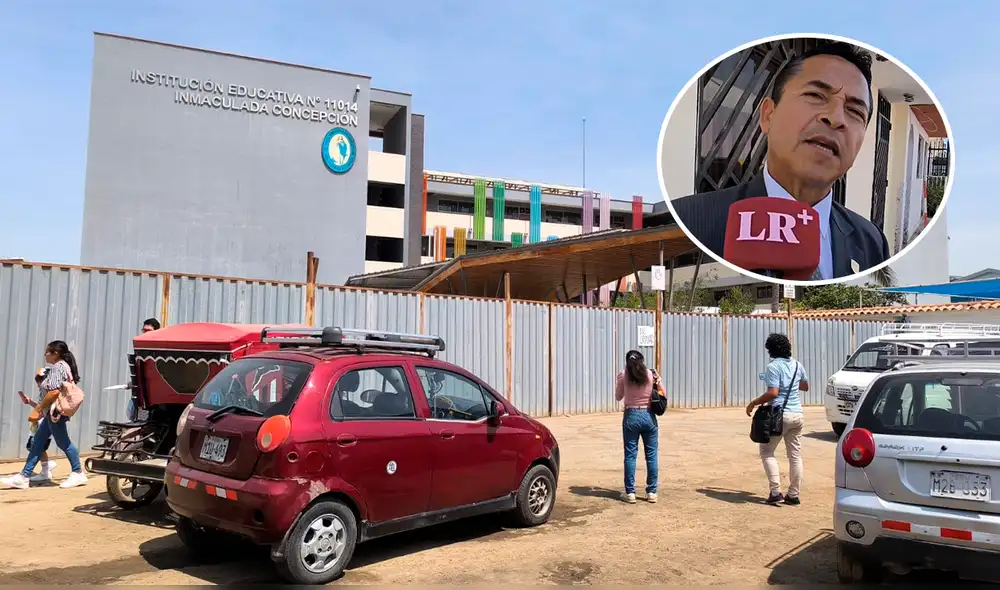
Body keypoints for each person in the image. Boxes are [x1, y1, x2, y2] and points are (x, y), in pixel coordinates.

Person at [669, 41, 889, 280]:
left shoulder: (871, 242)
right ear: (768, 115)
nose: (835, 118)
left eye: (855, 111)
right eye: (815, 95)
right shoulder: (686, 221)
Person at [1, 341, 88, 490]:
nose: (45, 355)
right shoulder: (62, 367)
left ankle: (78, 472)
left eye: (47, 352)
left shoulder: (58, 367)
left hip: (55, 413)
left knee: (64, 443)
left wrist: (38, 409)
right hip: (50, 413)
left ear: (56, 353)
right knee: (37, 443)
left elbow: (53, 392)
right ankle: (24, 476)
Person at [745, 333, 809, 505]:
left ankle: (775, 492)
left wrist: (754, 403)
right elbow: (805, 386)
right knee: (795, 455)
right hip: (797, 414)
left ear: (771, 350)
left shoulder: (773, 367)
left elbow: (773, 392)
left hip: (780, 415)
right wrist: (791, 383)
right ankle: (793, 495)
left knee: (767, 452)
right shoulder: (798, 365)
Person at [614, 350, 659, 504]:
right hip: (648, 415)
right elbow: (663, 393)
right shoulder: (651, 374)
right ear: (642, 360)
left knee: (630, 455)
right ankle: (651, 492)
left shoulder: (623, 374)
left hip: (631, 416)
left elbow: (618, 396)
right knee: (651, 455)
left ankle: (630, 493)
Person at [126, 318, 160, 421]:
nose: (145, 333)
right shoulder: (140, 349)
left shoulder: (160, 351)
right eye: (144, 330)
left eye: (148, 331)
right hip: (142, 397)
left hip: (156, 399)